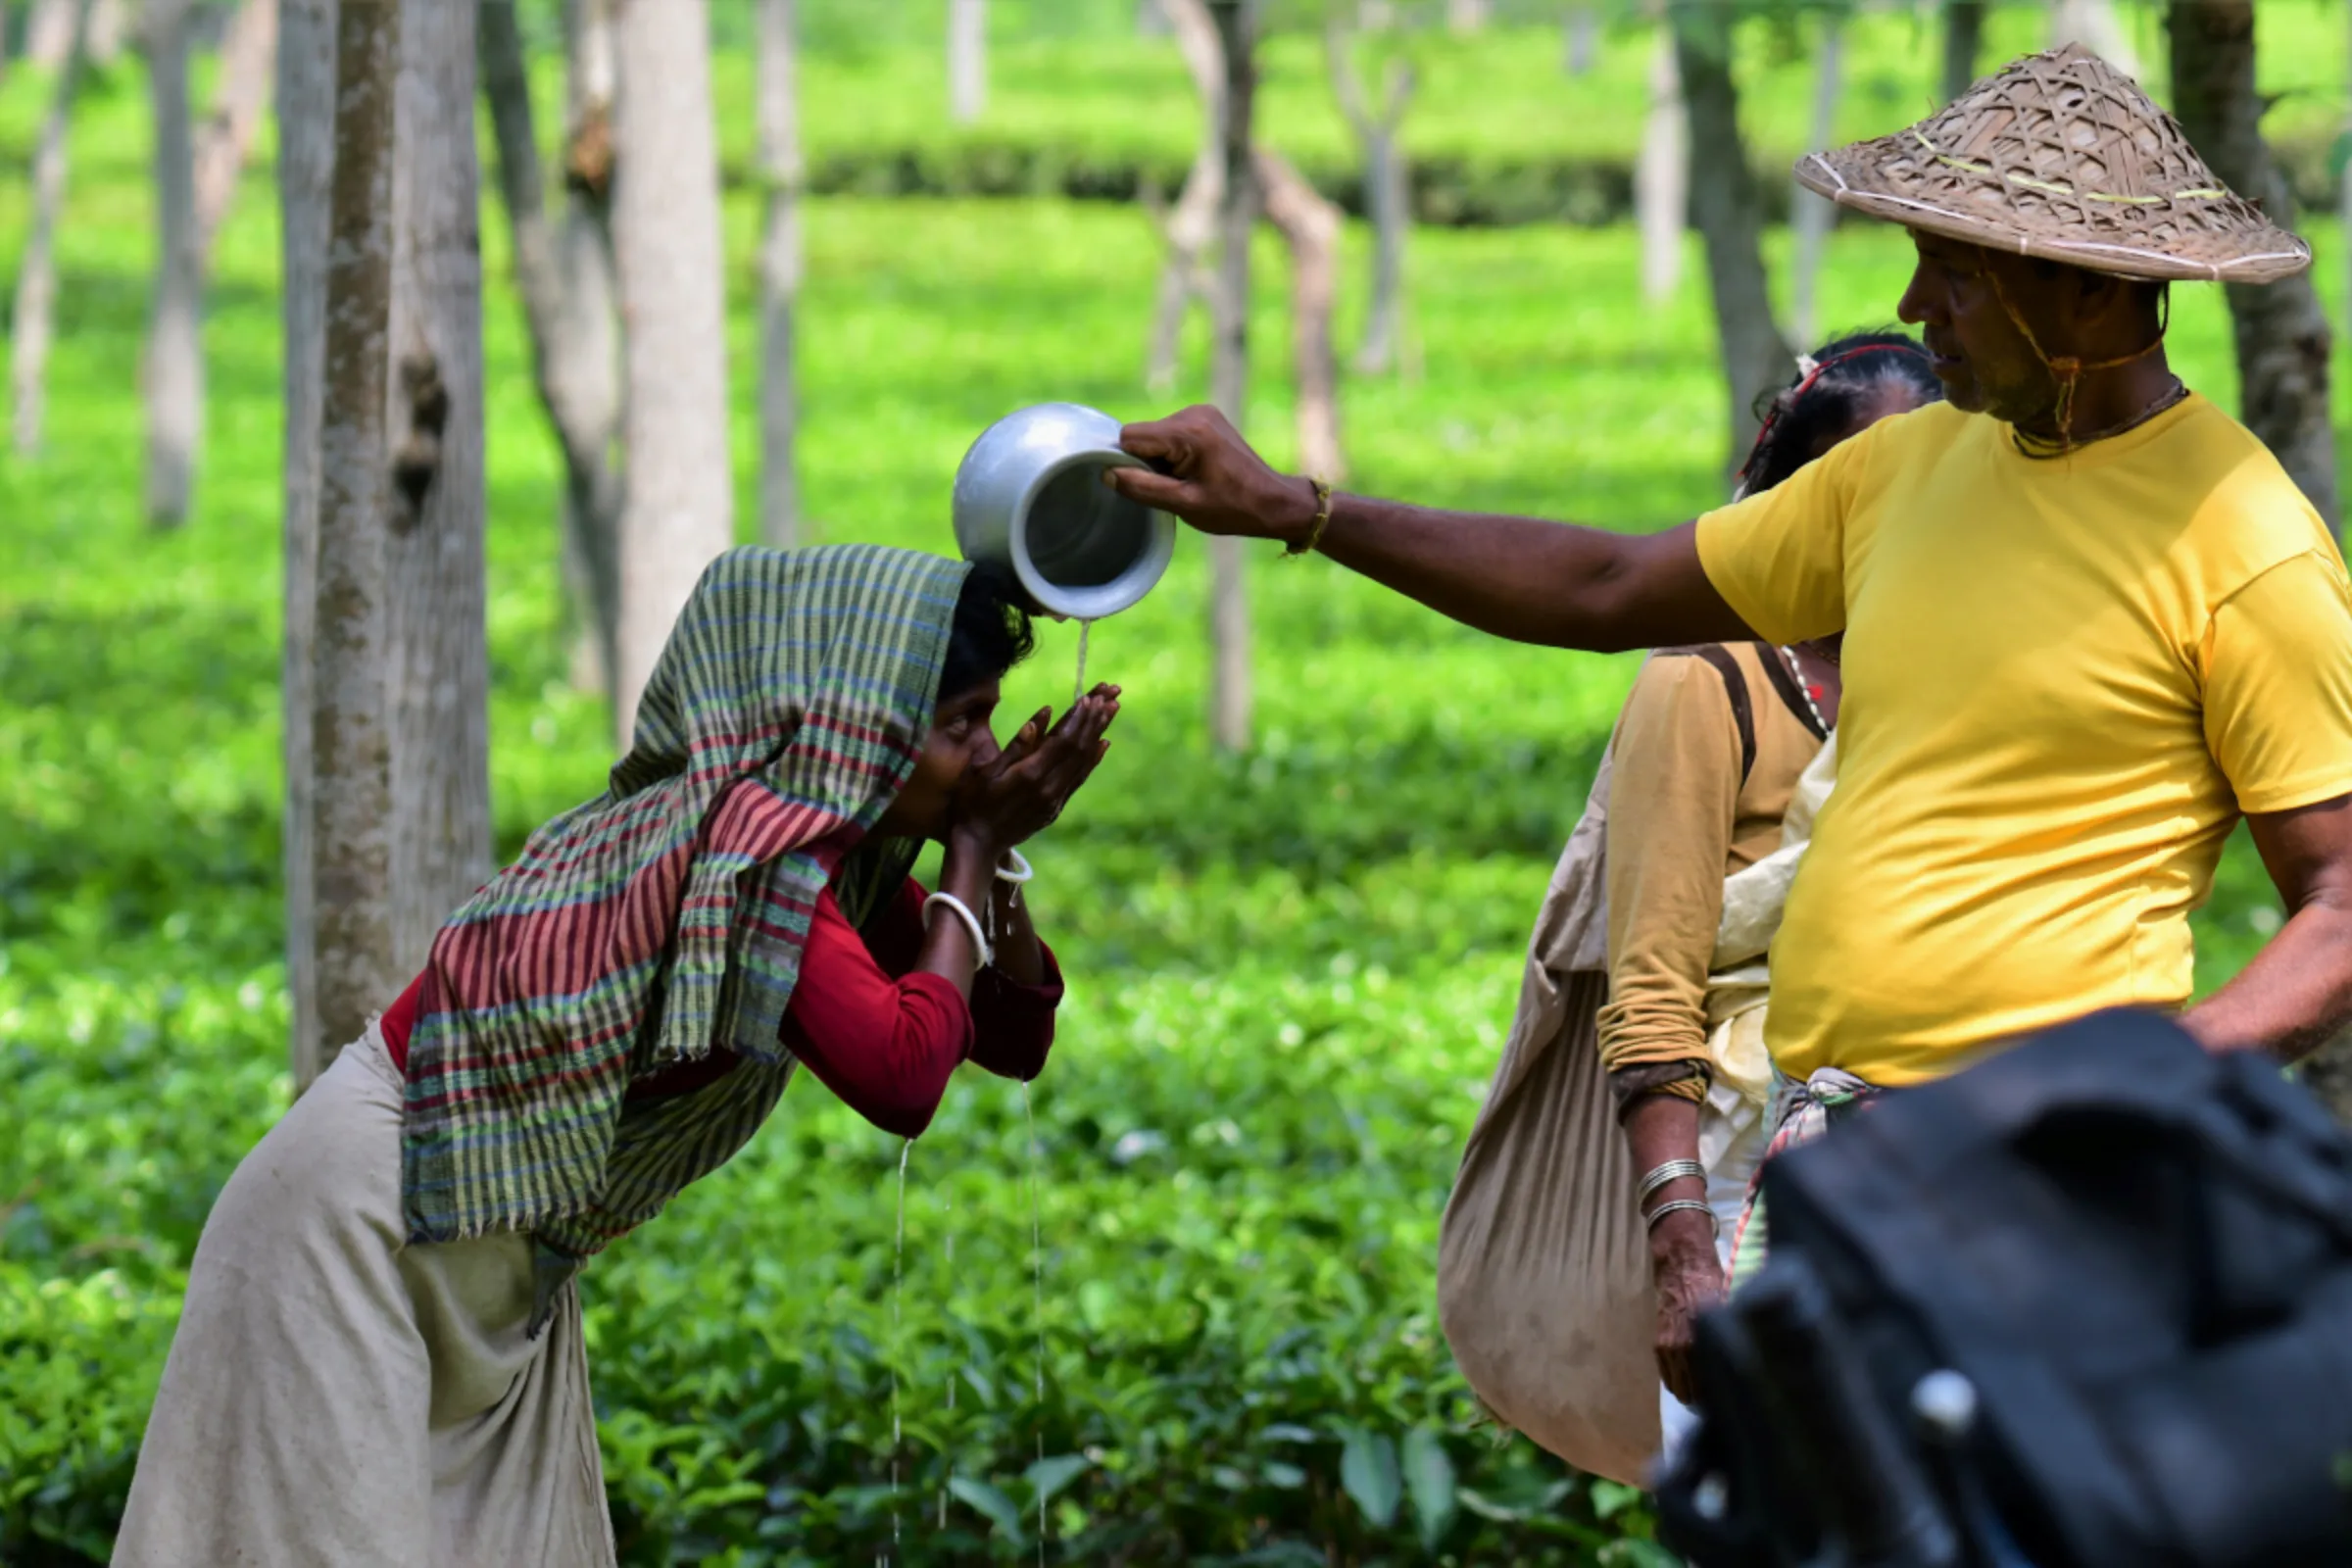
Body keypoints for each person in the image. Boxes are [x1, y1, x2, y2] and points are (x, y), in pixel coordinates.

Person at [1110, 46, 2352, 1269]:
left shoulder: (2242, 542)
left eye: (1956, 276)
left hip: (2053, 1191)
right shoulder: (1902, 469)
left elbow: (2341, 907)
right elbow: (1604, 587)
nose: (1916, 311)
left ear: (2089, 290)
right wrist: (1303, 511)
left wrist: (2157, 1078)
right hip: (1838, 1148)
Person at [116, 545, 1120, 1566]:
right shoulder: (757, 862)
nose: (989, 753)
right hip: (364, 1223)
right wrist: (977, 847)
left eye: (991, 719)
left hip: (501, 1263)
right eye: (959, 725)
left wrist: (993, 852)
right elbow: (904, 1079)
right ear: (858, 723)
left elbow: (1009, 1033)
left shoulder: (837, 857)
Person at [1597, 335, 1943, 1441]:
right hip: (1754, 1163)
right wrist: (1684, 1248)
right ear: (1796, 494)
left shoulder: (1955, 667)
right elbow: (1650, 985)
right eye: (1858, 481)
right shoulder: (1709, 680)